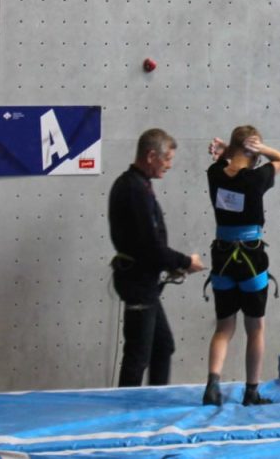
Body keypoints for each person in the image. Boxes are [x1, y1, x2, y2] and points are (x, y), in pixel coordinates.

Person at [109, 128, 205, 387]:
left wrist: (169, 265)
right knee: (138, 355)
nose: (169, 165)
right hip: (137, 283)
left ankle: (155, 403)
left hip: (144, 280)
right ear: (151, 156)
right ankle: (127, 412)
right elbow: (150, 246)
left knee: (162, 347)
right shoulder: (134, 189)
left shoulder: (137, 184)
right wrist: (185, 262)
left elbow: (146, 244)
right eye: (167, 159)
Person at [201, 127, 280, 406]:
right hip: (251, 258)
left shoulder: (214, 174)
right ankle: (251, 391)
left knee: (223, 328)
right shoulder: (256, 178)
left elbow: (226, 163)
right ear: (253, 152)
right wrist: (261, 149)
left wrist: (230, 152)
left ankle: (212, 385)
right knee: (255, 328)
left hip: (223, 258)